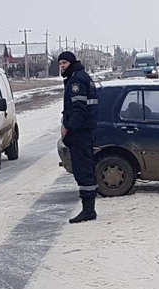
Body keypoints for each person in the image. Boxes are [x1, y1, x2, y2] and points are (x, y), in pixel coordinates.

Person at [58, 51, 99, 224]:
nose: (62, 67)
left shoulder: (76, 81)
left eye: (64, 63)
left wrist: (70, 131)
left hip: (80, 133)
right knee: (85, 168)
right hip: (85, 131)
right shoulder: (81, 77)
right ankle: (88, 208)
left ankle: (88, 210)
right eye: (60, 64)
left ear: (72, 63)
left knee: (83, 169)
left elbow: (79, 109)